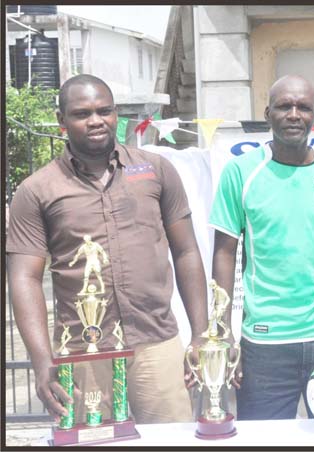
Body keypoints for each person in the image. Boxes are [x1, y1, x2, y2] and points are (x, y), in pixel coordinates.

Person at [7, 74, 209, 424]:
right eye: (82, 113)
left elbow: (187, 252)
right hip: (83, 354)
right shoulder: (37, 190)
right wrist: (42, 362)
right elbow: (24, 278)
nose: (96, 120)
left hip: (156, 341)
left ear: (116, 114)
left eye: (105, 110)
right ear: (61, 122)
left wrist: (201, 335)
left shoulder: (157, 170)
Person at [209, 75, 314, 420]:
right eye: (284, 106)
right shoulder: (240, 172)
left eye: (303, 107)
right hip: (266, 342)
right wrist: (222, 333)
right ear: (268, 114)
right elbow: (224, 252)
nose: (294, 114)